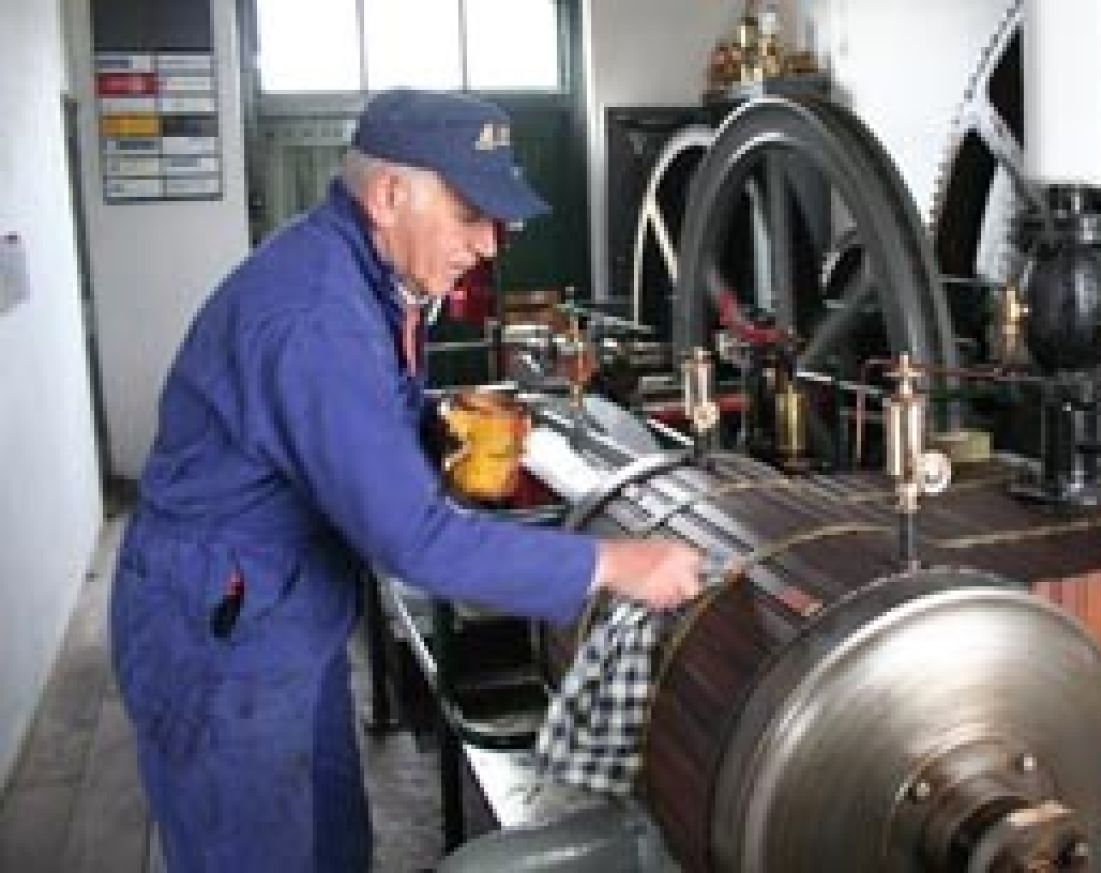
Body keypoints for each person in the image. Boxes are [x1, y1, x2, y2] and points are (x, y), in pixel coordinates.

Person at [109, 89, 703, 873]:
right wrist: (616, 564)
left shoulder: (371, 276)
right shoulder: (314, 313)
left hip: (284, 599)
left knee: (332, 844)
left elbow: (349, 418)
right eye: (470, 216)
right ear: (390, 196)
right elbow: (412, 542)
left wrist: (428, 428)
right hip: (218, 624)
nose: (490, 244)